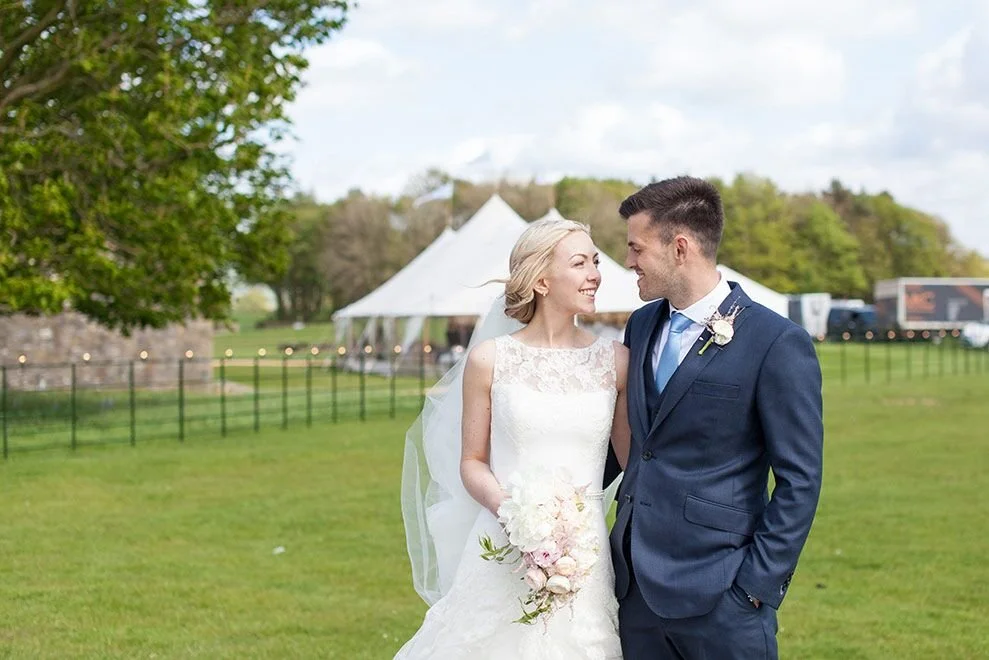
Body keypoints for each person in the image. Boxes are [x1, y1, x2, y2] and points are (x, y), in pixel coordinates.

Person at [605, 176, 824, 659]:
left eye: (636, 248)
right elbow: (633, 445)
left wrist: (754, 588)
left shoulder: (775, 342)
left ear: (679, 247)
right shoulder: (639, 326)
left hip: (723, 595)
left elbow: (800, 480)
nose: (628, 261)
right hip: (634, 590)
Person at [397, 217, 629, 659]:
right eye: (580, 263)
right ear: (541, 279)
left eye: (595, 262)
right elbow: (472, 462)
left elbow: (634, 463)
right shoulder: (490, 359)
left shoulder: (615, 361)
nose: (596, 273)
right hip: (504, 544)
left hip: (587, 555)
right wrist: (519, 519)